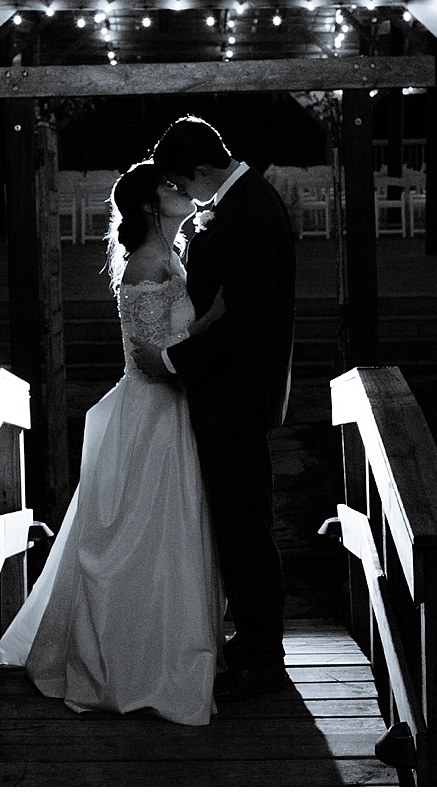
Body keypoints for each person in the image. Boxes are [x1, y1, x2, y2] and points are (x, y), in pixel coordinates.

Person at [0, 161, 227, 724]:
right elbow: (154, 360)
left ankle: (168, 646)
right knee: (144, 537)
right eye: (171, 186)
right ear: (151, 206)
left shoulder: (169, 256)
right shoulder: (148, 267)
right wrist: (214, 322)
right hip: (151, 417)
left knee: (172, 536)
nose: (182, 190)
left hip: (170, 414)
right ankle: (136, 664)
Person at [129, 115, 297, 701]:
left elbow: (247, 322)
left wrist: (173, 363)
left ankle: (262, 657)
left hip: (237, 398)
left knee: (245, 528)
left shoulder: (247, 210)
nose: (184, 193)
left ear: (202, 171)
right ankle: (252, 643)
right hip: (231, 396)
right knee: (238, 524)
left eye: (183, 182)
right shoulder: (243, 201)